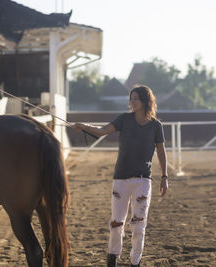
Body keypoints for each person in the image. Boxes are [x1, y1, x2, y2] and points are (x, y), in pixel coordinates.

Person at [72, 85, 168, 267]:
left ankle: (135, 262)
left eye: (135, 99)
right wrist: (83, 126)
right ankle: (112, 258)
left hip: (143, 180)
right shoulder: (124, 119)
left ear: (146, 102)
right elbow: (102, 131)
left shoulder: (156, 125)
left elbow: (161, 152)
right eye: (130, 99)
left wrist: (164, 176)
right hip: (121, 179)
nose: (131, 102)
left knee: (139, 226)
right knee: (116, 224)